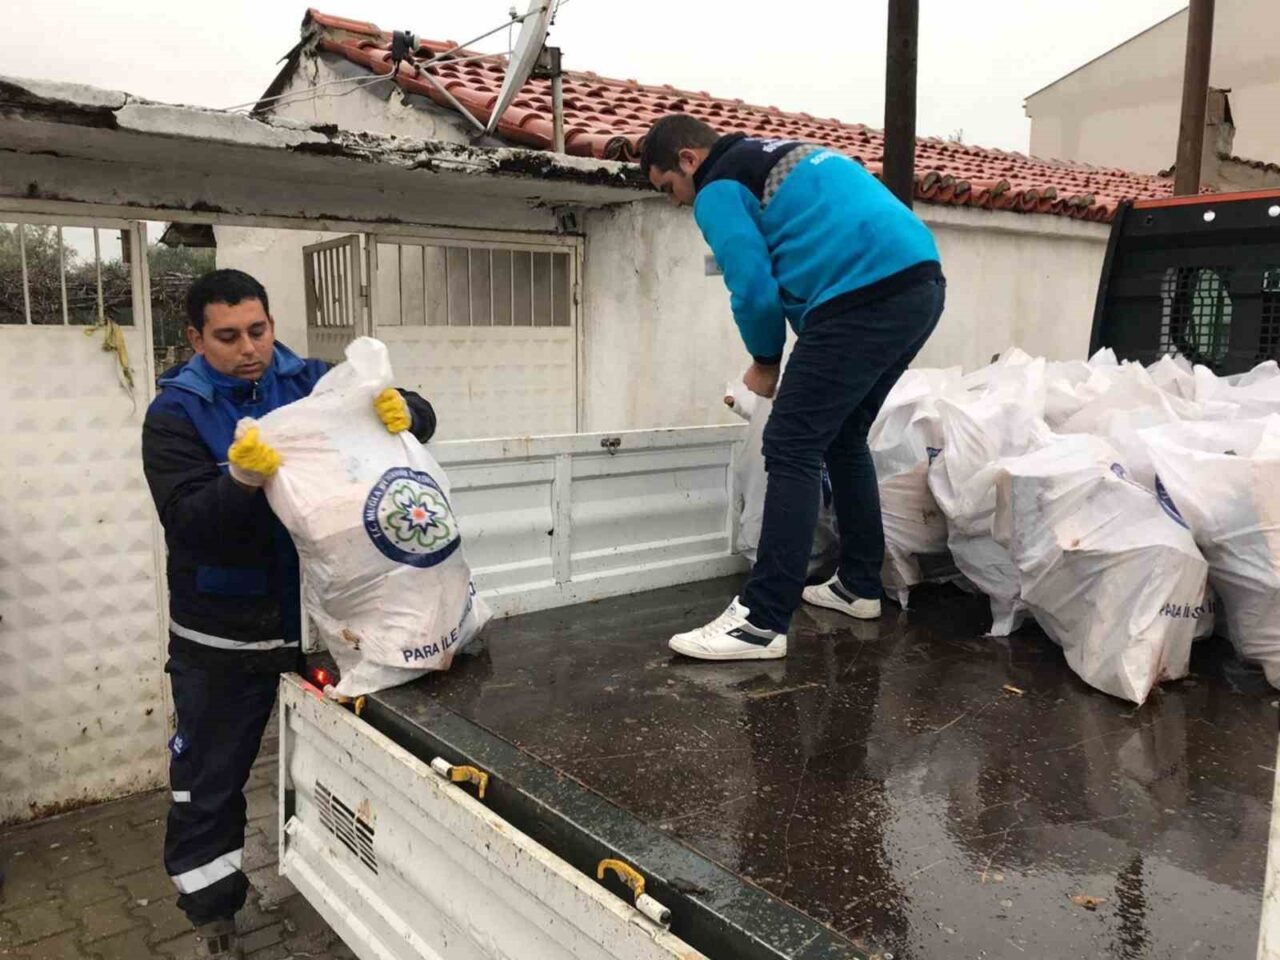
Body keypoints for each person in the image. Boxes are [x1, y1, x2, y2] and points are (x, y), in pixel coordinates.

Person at [141, 269, 436, 958]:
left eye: (258, 330)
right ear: (195, 338)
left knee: (356, 764)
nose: (248, 349)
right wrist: (240, 480)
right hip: (223, 636)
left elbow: (406, 414)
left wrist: (409, 412)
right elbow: (189, 523)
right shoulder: (175, 414)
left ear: (272, 324)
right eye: (227, 337)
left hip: (324, 625)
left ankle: (361, 891)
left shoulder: (311, 382)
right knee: (209, 782)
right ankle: (213, 917)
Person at [641, 115, 945, 661]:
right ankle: (858, 585)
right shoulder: (775, 152)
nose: (678, 202)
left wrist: (765, 361)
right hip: (919, 284)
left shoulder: (719, 185)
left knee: (790, 443)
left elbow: (752, 287)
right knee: (843, 435)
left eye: (669, 188)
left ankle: (760, 621)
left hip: (861, 293)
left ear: (688, 159)